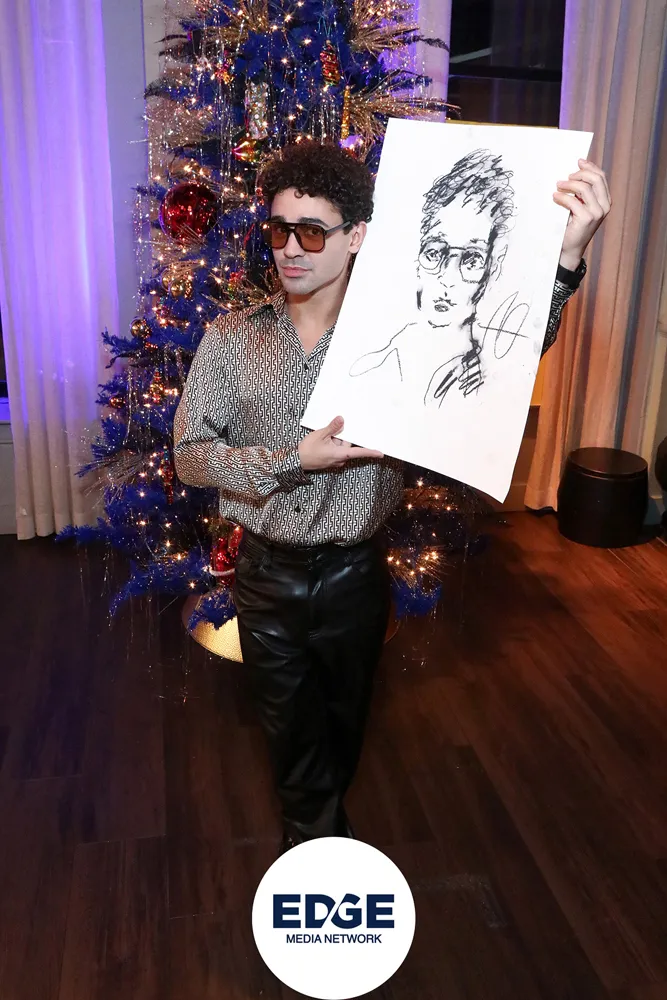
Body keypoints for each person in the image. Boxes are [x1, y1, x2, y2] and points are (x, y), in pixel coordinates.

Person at [173, 140, 611, 853]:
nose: (291, 249)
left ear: (355, 237)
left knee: (344, 724)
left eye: (312, 232)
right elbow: (191, 457)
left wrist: (565, 257)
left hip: (355, 575)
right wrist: (292, 460)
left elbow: (503, 353)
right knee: (289, 734)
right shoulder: (231, 338)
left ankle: (320, 830)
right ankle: (316, 851)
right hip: (266, 576)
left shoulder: (401, 336)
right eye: (279, 230)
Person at [350, 148, 562, 408]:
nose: (447, 278)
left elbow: (535, 334)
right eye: (434, 252)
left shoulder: (495, 373)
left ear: (492, 268)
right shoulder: (368, 368)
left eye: (472, 259)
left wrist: (569, 258)